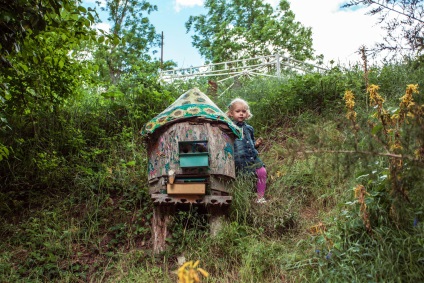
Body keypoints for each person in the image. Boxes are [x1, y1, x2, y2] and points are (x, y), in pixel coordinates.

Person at [226, 98, 267, 203]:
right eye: (238, 111)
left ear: (247, 113)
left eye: (243, 111)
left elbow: (251, 143)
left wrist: (256, 144)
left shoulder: (249, 128)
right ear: (231, 113)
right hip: (240, 159)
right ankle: (244, 198)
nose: (241, 114)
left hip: (253, 156)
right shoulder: (230, 128)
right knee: (243, 178)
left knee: (262, 171)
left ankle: (260, 197)